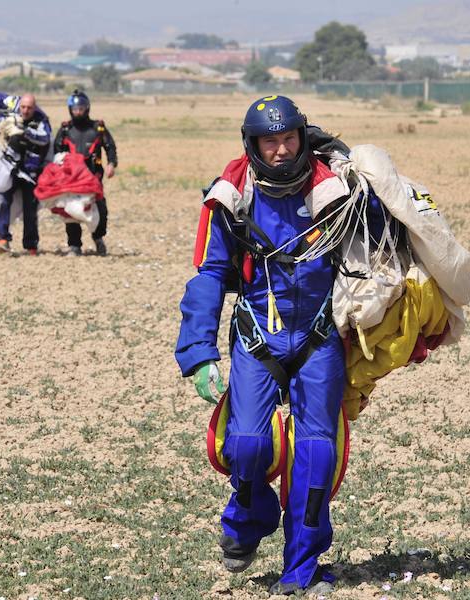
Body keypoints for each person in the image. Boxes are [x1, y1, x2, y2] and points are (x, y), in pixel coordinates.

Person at [175, 96, 349, 595]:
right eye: (269, 141)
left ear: (302, 137)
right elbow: (208, 275)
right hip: (257, 335)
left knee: (316, 453)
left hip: (320, 335)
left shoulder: (339, 191)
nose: (280, 150)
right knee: (246, 444)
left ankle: (302, 570)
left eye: (289, 138)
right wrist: (199, 353)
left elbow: (381, 254)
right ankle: (247, 523)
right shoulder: (229, 198)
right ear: (252, 144)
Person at [53, 90, 117, 256]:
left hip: (93, 177)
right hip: (72, 179)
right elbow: (56, 152)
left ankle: (98, 239)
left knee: (100, 210)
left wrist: (111, 163)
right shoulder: (65, 130)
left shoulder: (98, 128)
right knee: (71, 212)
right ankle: (74, 245)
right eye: (75, 109)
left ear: (87, 108)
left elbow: (110, 146)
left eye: (81, 108)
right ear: (70, 109)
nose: (78, 112)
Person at [0, 93, 51, 254]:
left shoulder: (41, 121)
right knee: (3, 202)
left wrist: (24, 132)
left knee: (30, 208)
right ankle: (3, 239)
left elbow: (45, 139)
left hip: (30, 172)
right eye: (23, 107)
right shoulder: (11, 117)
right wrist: (4, 127)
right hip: (10, 168)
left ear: (35, 108)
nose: (26, 111)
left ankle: (31, 245)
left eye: (29, 108)